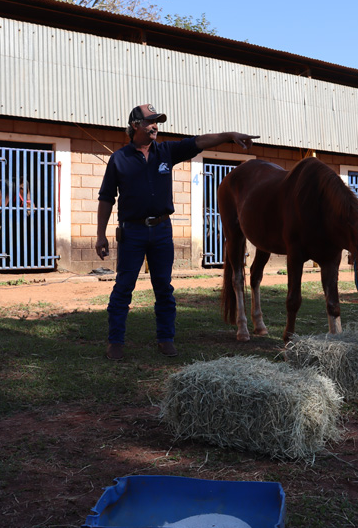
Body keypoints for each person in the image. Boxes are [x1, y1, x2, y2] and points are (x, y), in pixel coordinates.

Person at [96, 103, 259, 361]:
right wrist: (101, 234)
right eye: (151, 122)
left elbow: (199, 142)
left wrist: (229, 135)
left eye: (157, 121)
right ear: (135, 125)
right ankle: (115, 341)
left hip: (162, 230)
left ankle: (166, 338)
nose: (155, 126)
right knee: (123, 287)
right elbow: (106, 198)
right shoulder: (119, 159)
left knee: (163, 287)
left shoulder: (166, 152)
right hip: (132, 233)